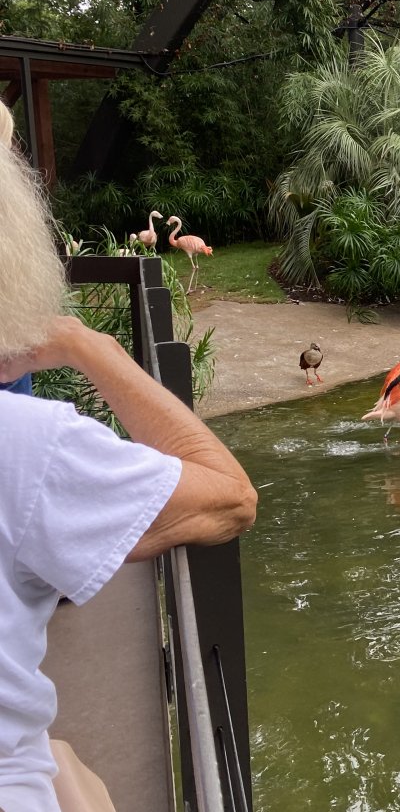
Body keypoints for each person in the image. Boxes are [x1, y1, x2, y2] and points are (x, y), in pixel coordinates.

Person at [0, 107, 258, 812]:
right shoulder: (24, 445)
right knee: (70, 769)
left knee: (62, 757)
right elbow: (232, 497)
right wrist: (95, 347)